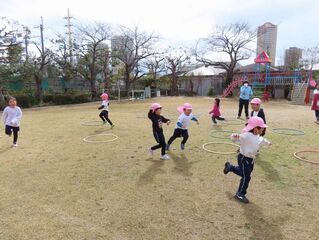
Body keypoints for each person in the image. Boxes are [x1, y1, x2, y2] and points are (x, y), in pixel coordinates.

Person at [223, 116, 271, 203]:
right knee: (246, 177)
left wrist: (268, 143)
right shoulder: (246, 136)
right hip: (243, 158)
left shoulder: (257, 136)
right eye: (262, 128)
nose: (263, 130)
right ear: (256, 128)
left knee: (244, 173)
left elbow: (261, 140)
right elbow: (234, 139)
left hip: (251, 160)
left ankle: (230, 167)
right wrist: (234, 136)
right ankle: (240, 194)